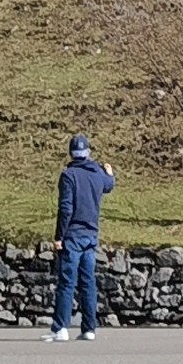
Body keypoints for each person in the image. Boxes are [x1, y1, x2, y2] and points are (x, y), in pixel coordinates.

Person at [47, 134, 115, 340]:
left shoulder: (68, 175)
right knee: (88, 282)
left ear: (71, 153)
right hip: (91, 234)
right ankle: (89, 328)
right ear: (87, 153)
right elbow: (108, 185)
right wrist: (110, 174)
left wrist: (59, 236)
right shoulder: (96, 172)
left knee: (67, 282)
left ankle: (61, 328)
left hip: (73, 235)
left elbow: (66, 208)